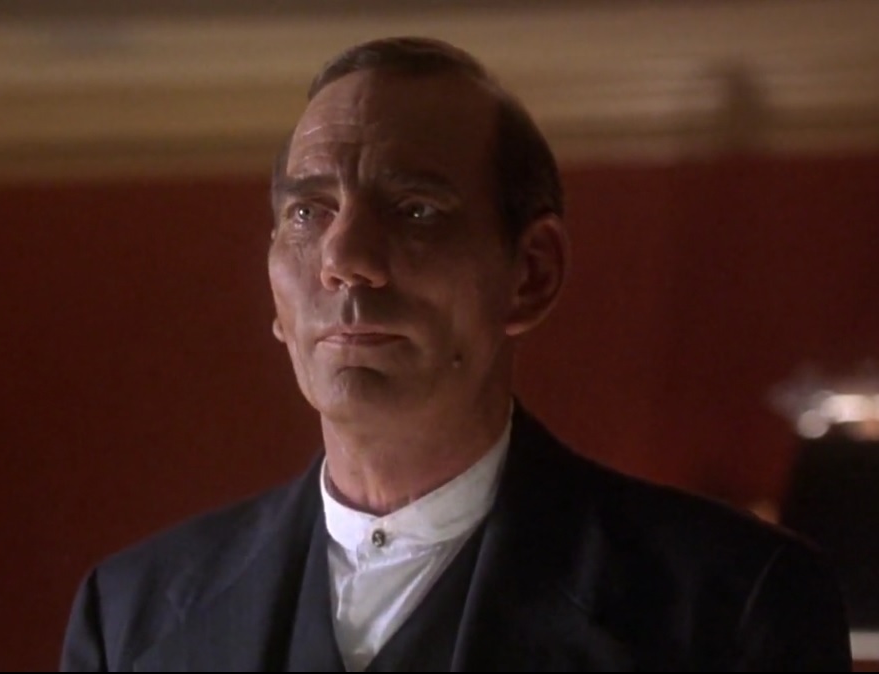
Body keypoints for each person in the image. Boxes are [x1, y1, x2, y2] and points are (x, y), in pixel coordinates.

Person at [60, 37, 852, 671]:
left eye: (415, 209)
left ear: (531, 274)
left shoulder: (731, 603)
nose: (344, 258)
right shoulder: (131, 614)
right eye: (308, 212)